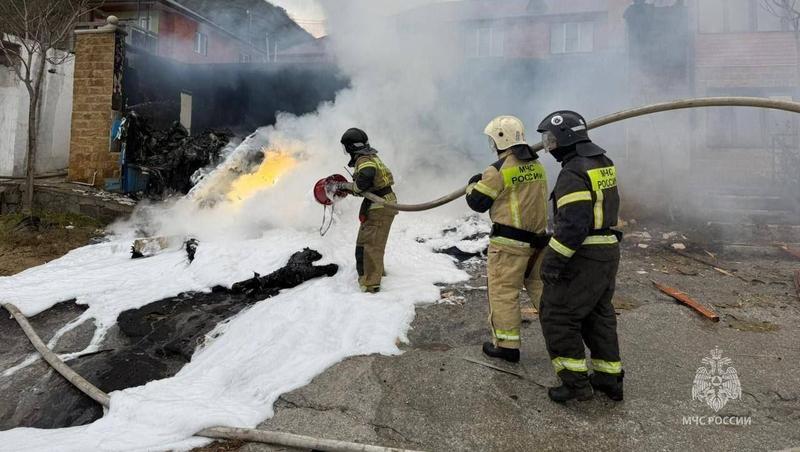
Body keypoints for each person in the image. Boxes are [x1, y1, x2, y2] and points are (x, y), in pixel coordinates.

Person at [536, 111, 624, 403]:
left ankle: (575, 385)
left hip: (584, 254)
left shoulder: (573, 171)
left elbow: (574, 224)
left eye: (550, 139)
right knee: (598, 315)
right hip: (607, 250)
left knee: (558, 314)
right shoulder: (602, 162)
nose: (548, 146)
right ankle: (609, 378)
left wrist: (553, 260)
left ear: (565, 137)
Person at [465, 116, 549, 363]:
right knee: (542, 289)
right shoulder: (537, 165)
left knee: (503, 292)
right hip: (539, 242)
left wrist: (473, 184)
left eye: (493, 139)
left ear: (501, 139)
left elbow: (477, 202)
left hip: (509, 246)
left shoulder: (498, 170)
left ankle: (506, 346)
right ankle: (562, 335)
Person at [341, 127, 398, 293]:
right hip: (383, 203)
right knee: (372, 242)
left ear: (350, 147)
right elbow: (367, 186)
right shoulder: (371, 156)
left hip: (380, 206)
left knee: (369, 244)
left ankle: (370, 284)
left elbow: (366, 175)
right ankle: (375, 273)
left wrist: (354, 186)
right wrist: (348, 188)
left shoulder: (363, 159)